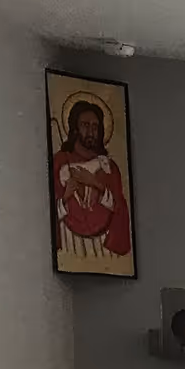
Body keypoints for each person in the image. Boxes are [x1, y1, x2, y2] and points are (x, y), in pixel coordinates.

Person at [52, 99, 132, 261]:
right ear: (75, 128)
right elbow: (48, 212)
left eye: (95, 127)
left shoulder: (109, 166)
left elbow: (120, 208)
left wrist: (95, 183)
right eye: (85, 125)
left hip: (104, 246)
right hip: (70, 242)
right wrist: (66, 196)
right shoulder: (60, 162)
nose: (91, 132)